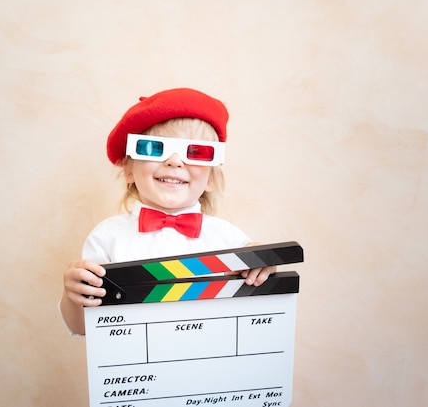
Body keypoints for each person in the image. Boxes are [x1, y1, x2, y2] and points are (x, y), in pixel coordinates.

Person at [60, 88, 276, 335]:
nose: (174, 161)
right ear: (129, 171)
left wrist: (260, 264)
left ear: (211, 179)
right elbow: (83, 327)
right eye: (153, 148)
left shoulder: (230, 239)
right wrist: (74, 296)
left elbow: (255, 310)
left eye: (195, 152)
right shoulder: (106, 237)